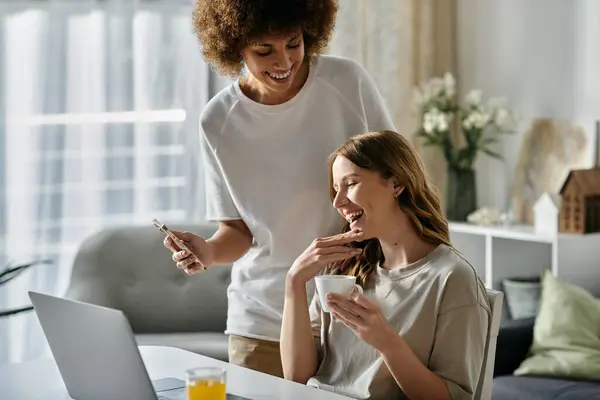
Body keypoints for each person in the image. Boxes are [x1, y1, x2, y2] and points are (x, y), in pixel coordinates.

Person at [162, 0, 395, 378]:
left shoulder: (346, 82)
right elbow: (238, 230)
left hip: (353, 307)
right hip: (263, 319)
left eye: (293, 42)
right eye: (264, 50)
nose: (284, 61)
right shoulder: (218, 121)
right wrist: (207, 250)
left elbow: (397, 181)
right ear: (234, 45)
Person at [281, 130, 491, 400]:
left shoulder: (452, 279)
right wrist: (294, 283)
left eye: (351, 183)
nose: (337, 202)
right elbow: (297, 376)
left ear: (397, 183)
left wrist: (387, 343)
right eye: (336, 189)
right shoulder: (344, 268)